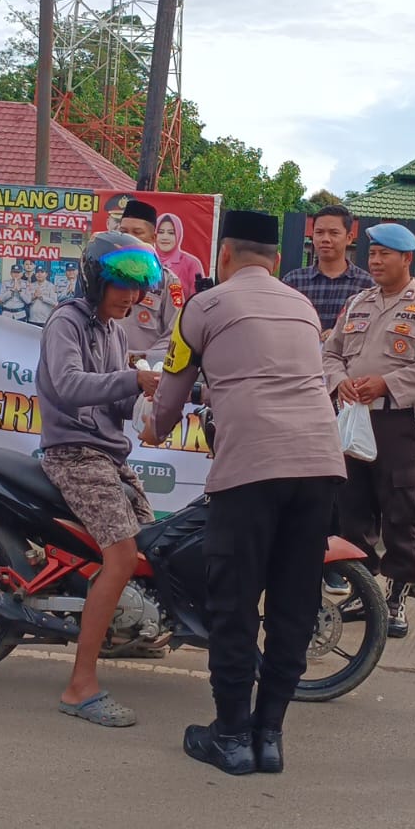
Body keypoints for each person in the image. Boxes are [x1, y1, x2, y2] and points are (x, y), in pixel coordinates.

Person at [149, 209, 346, 777]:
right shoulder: (303, 307)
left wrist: (154, 430)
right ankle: (271, 737)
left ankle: (231, 736)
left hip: (250, 469)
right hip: (318, 467)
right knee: (293, 604)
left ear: (224, 257)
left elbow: (171, 390)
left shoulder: (203, 306)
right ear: (278, 262)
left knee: (233, 604)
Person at [36, 230, 162, 728]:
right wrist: (134, 380)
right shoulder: (66, 322)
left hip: (108, 456)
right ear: (95, 280)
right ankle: (80, 685)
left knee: (153, 547)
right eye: (120, 287)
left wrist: (153, 408)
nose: (130, 298)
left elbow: (112, 398)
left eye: (136, 289)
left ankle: (130, 627)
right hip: (74, 454)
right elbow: (67, 387)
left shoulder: (113, 331)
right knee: (123, 555)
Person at [322, 222, 415, 638]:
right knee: (354, 508)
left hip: (399, 422)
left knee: (402, 510)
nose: (375, 261)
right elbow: (329, 353)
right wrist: (338, 380)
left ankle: (397, 595)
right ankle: (363, 592)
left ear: (406, 258)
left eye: (384, 254)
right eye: (372, 254)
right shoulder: (357, 302)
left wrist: (389, 384)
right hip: (353, 420)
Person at [282, 204, 375, 336]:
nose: (325, 239)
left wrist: (339, 334)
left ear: (349, 238)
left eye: (334, 233)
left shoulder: (366, 286)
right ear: (312, 236)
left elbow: (372, 330)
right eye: (319, 232)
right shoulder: (293, 282)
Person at [118, 199, 184, 359]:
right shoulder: (104, 273)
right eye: (123, 232)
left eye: (137, 233)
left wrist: (139, 359)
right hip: (104, 368)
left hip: (146, 370)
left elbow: (174, 332)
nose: (129, 238)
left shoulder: (167, 282)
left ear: (153, 238)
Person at [154, 211, 205, 299]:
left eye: (171, 233)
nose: (165, 237)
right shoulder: (149, 259)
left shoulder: (191, 263)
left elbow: (196, 300)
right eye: (161, 232)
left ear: (178, 234)